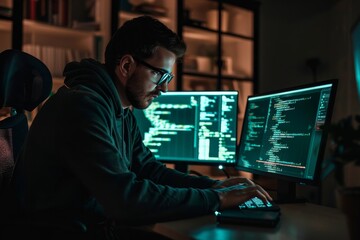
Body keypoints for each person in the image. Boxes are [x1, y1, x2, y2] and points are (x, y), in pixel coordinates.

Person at [3, 16, 272, 239]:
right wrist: (218, 200)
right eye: (159, 75)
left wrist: (214, 187)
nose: (164, 89)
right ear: (127, 65)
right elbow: (126, 200)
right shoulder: (82, 108)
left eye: (168, 77)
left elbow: (148, 170)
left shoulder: (118, 110)